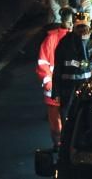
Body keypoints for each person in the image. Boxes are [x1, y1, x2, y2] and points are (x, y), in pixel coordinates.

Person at [37, 8, 74, 150]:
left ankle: (65, 145)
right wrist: (48, 82)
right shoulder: (52, 39)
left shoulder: (74, 39)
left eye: (72, 22)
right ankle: (60, 146)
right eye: (68, 22)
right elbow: (43, 63)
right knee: (57, 121)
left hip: (63, 88)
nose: (70, 25)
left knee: (66, 118)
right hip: (55, 88)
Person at [53, 13, 92, 122]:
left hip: (82, 83)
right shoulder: (66, 43)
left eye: (84, 29)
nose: (82, 32)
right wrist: (55, 91)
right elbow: (58, 67)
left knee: (83, 111)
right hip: (70, 85)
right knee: (68, 111)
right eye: (80, 28)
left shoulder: (90, 42)